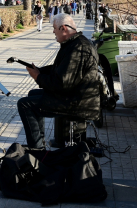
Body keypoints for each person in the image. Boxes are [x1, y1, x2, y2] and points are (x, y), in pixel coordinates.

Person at [16, 14, 101, 149]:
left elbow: (61, 83)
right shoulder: (75, 43)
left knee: (24, 104)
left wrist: (38, 77)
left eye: (54, 28)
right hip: (74, 95)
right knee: (32, 94)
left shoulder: (77, 48)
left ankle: (37, 150)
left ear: (63, 29)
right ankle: (40, 143)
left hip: (78, 102)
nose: (53, 32)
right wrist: (40, 71)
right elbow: (61, 69)